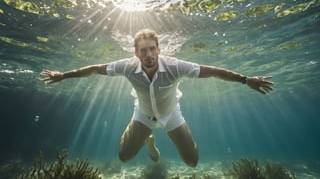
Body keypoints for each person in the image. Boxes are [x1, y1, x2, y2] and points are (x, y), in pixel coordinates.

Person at [41, 29, 273, 167]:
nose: (148, 55)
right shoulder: (127, 66)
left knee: (192, 162)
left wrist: (245, 79)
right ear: (136, 53)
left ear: (159, 50)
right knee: (123, 157)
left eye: (152, 49)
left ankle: (150, 136)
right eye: (143, 50)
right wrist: (63, 75)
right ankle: (147, 139)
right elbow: (94, 68)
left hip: (171, 114)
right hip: (142, 114)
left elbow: (211, 70)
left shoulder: (175, 66)